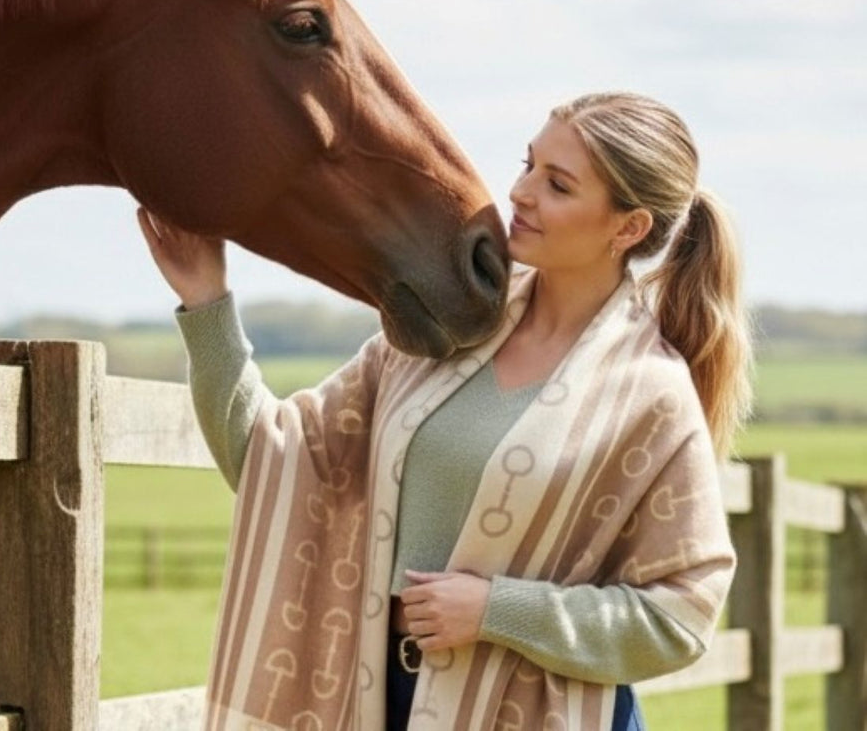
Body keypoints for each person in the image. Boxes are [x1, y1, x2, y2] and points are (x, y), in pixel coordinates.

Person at [138, 91, 751, 731]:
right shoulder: (446, 330)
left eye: (559, 184)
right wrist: (206, 301)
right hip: (380, 700)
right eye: (528, 164)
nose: (520, 192)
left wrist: (497, 610)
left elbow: (681, 615)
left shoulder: (650, 394)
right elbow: (266, 458)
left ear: (628, 228)